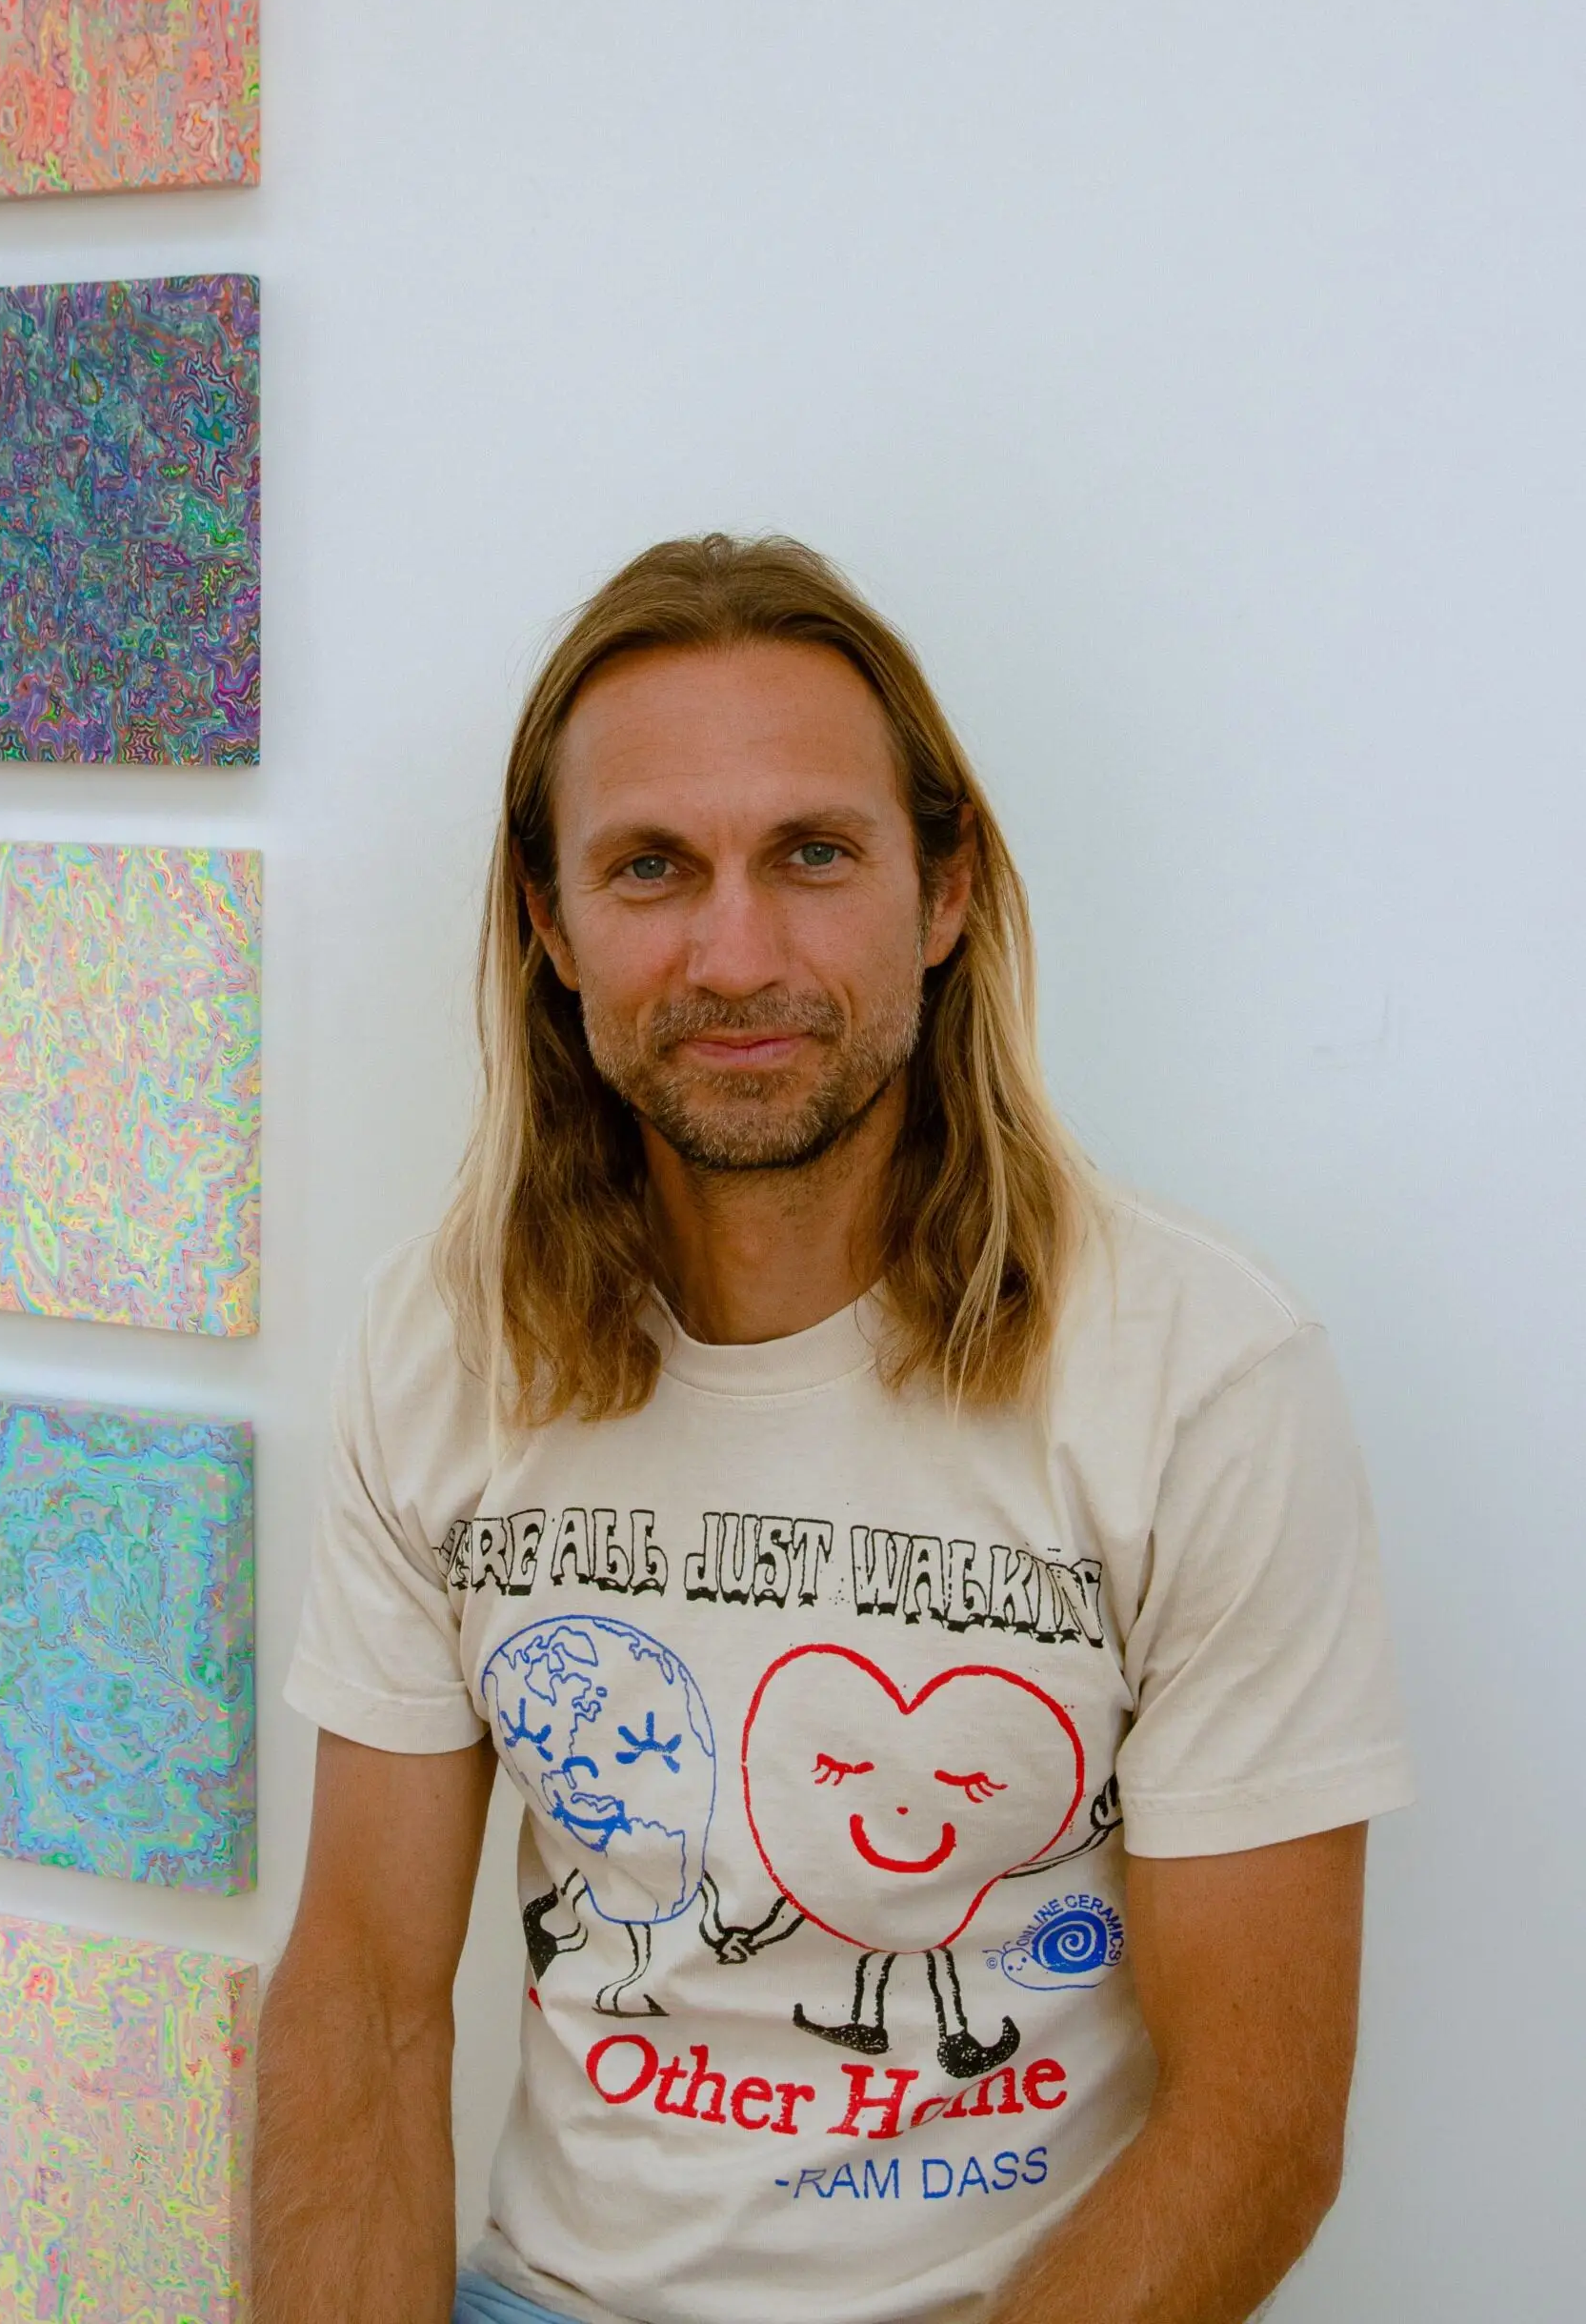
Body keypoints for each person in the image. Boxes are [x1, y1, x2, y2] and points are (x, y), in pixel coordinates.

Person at [253, 534, 1413, 2324]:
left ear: (942, 891)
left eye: (812, 854)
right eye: (651, 867)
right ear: (551, 922)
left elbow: (1257, 2120)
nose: (737, 952)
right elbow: (365, 2000)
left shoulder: (1199, 1375)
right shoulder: (443, 1348)